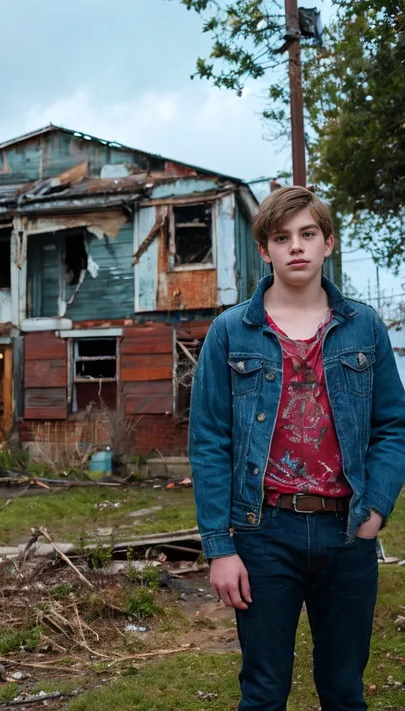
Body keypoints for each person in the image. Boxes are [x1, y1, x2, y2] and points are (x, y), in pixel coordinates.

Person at [189, 186, 405, 711]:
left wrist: (375, 509)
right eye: (282, 238)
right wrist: (220, 548)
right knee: (262, 692)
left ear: (328, 242)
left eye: (308, 234)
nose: (297, 247)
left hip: (347, 531)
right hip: (264, 532)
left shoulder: (365, 329)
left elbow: (393, 426)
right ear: (265, 250)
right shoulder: (229, 333)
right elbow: (209, 443)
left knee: (345, 691)